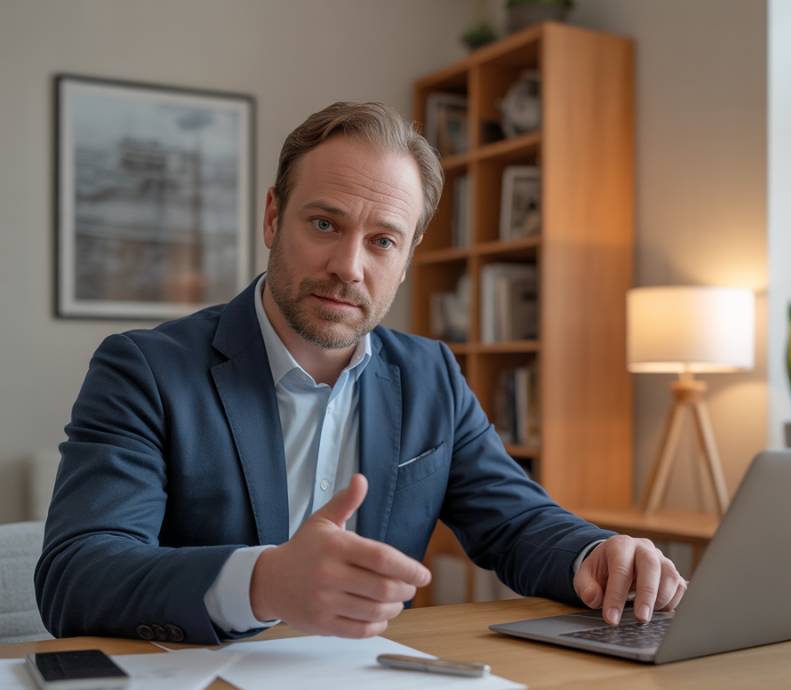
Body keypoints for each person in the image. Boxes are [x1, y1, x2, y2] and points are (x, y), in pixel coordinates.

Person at [36, 102, 686, 645]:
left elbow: (516, 522)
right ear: (272, 218)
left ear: (408, 256)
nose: (349, 266)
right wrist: (263, 583)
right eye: (325, 224)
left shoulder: (431, 375)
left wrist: (598, 554)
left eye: (382, 240)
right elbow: (77, 577)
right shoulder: (145, 370)